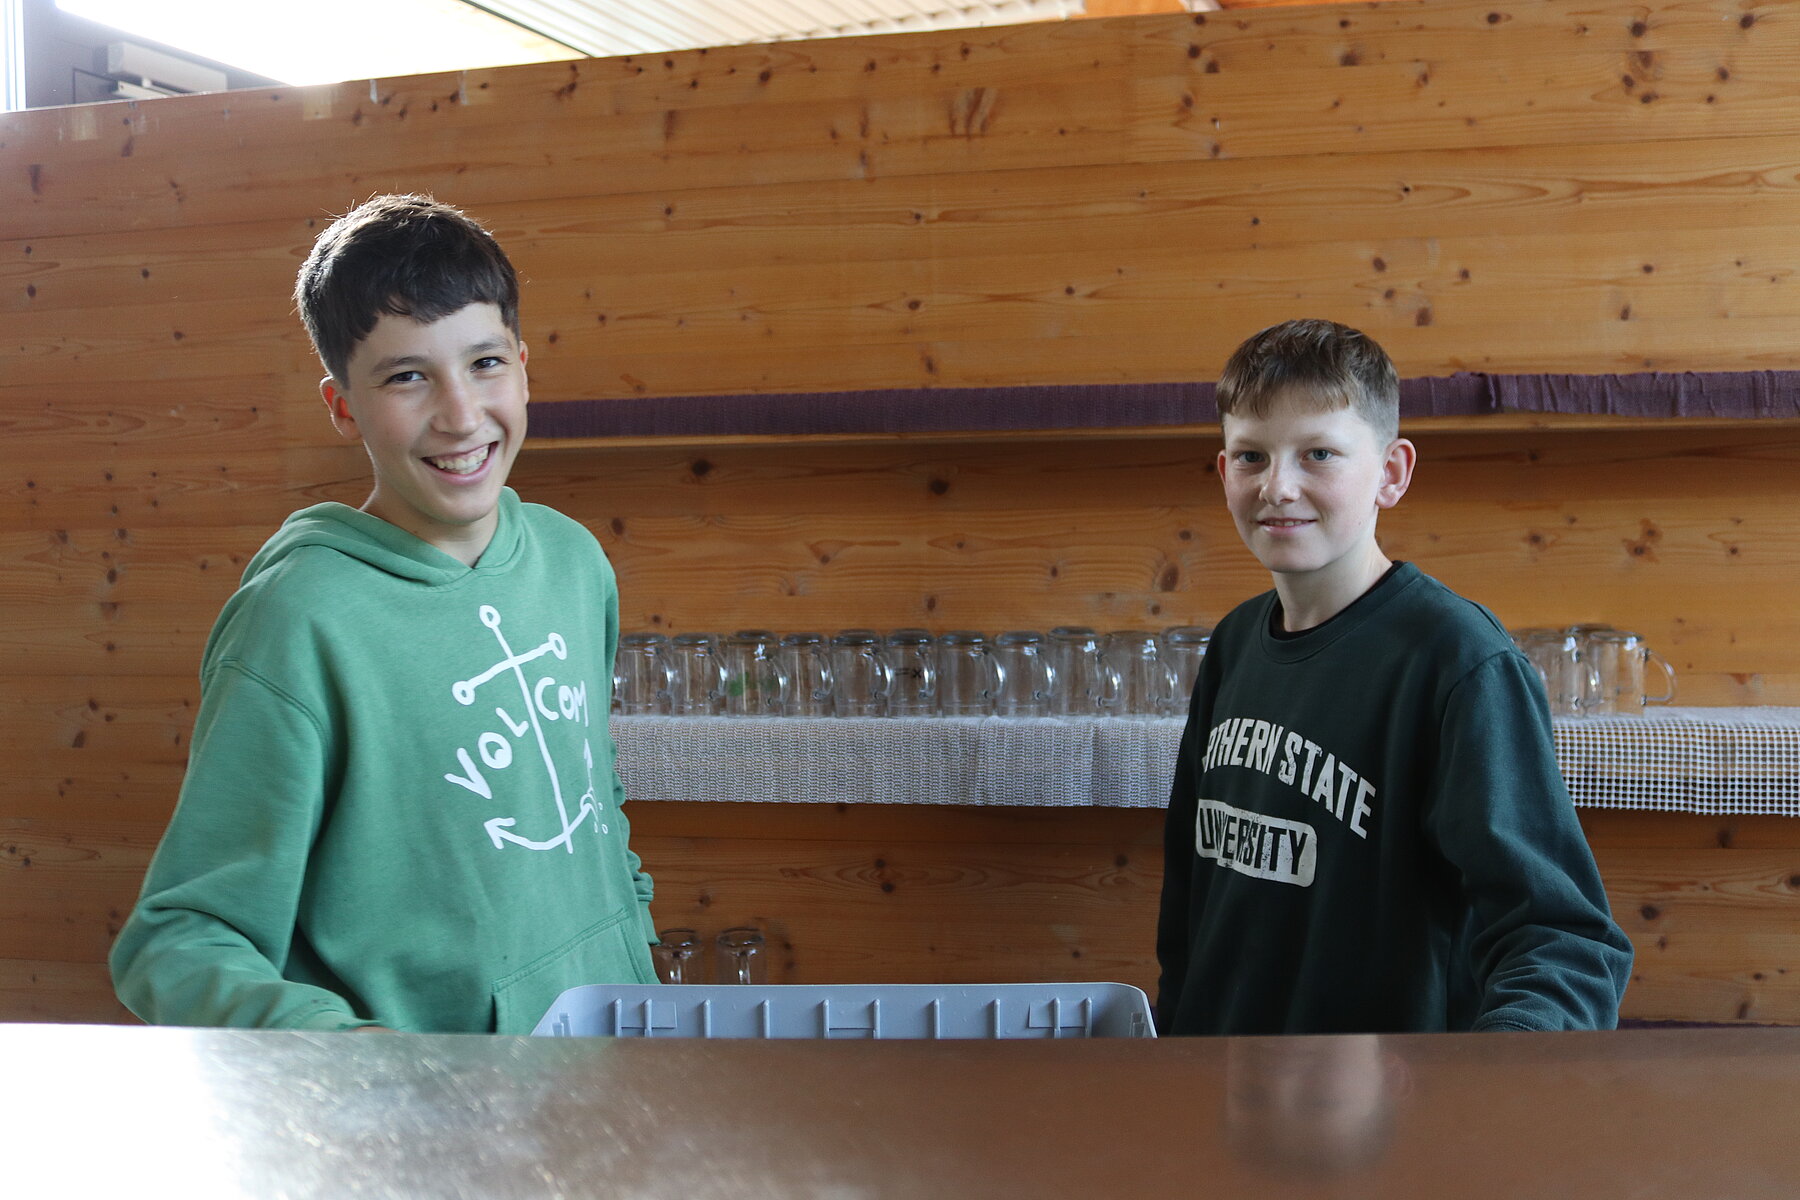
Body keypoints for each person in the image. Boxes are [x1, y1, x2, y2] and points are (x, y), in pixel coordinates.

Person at [110, 194, 659, 1032]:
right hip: (430, 1105)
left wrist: (635, 959)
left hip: (612, 1062)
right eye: (407, 376)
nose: (461, 415)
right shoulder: (298, 622)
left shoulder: (575, 561)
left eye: (484, 363)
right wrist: (368, 1067)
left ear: (522, 367)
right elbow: (178, 943)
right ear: (343, 407)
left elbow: (599, 805)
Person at [1155, 318, 1632, 1035]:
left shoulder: (1458, 661)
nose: (1278, 487)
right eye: (1252, 456)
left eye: (1319, 454)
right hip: (1219, 1084)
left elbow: (1563, 941)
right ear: (1225, 472)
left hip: (1389, 1100)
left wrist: (1488, 1077)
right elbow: (1190, 907)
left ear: (1391, 473)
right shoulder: (1232, 645)